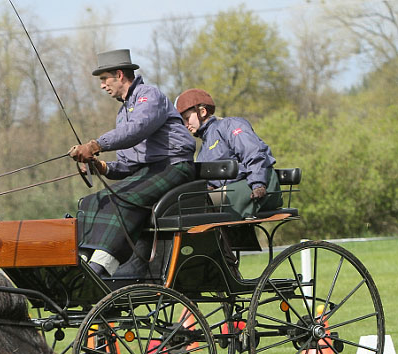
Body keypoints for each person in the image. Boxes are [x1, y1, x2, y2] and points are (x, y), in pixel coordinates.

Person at [68, 49, 196, 277]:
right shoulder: (122, 112)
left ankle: (103, 266)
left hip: (174, 166)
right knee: (91, 201)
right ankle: (83, 259)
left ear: (119, 74)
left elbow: (136, 130)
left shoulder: (149, 96)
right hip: (149, 172)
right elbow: (128, 164)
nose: (102, 86)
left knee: (122, 199)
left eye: (104, 79)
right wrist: (102, 167)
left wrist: (95, 145)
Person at [175, 88, 282, 218]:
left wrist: (258, 184)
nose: (185, 125)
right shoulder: (204, 147)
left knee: (200, 206)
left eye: (187, 118)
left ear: (202, 112)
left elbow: (253, 152)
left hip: (259, 185)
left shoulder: (229, 125)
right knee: (188, 203)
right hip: (233, 189)